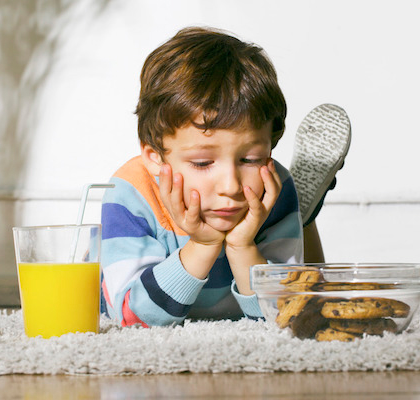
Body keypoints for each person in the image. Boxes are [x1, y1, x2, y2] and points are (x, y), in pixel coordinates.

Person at [100, 27, 350, 327]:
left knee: (313, 295)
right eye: (203, 163)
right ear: (155, 158)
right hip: (113, 290)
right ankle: (306, 220)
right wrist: (202, 246)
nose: (231, 187)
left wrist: (243, 247)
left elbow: (289, 313)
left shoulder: (273, 188)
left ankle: (304, 218)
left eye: (251, 159)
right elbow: (131, 316)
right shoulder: (130, 193)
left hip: (272, 221)